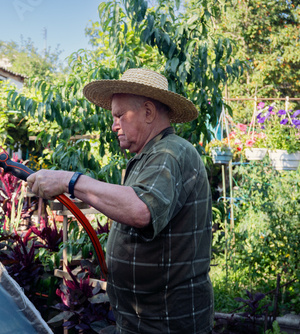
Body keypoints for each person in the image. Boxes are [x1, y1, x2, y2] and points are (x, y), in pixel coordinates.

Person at [26, 68, 213, 333]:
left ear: (148, 112)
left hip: (166, 322)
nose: (113, 125)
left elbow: (140, 209)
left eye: (119, 116)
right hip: (146, 318)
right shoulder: (150, 155)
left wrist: (70, 180)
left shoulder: (169, 153)